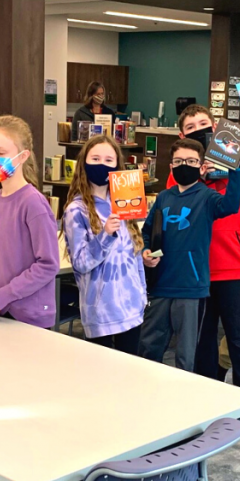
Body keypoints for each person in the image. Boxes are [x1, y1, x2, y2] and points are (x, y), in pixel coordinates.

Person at [166, 103, 240, 392]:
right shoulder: (180, 171)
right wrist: (196, 175)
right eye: (191, 127)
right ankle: (208, 395)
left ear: (215, 128)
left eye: (204, 124)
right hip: (196, 269)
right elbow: (174, 210)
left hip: (233, 266)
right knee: (202, 340)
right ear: (182, 135)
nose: (199, 130)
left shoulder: (235, 163)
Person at [138, 138, 240, 372]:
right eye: (178, 161)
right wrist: (146, 252)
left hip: (190, 286)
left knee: (187, 355)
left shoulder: (207, 197)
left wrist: (236, 169)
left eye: (191, 161)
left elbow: (230, 205)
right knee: (149, 347)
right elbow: (149, 231)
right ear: (171, 166)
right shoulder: (164, 197)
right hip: (161, 285)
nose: (184, 165)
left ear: (202, 167)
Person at [0, 116, 61, 327]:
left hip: (28, 315)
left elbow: (47, 265)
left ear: (23, 156)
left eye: (1, 153)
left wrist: (3, 296)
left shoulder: (34, 204)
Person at [62, 135, 146, 354]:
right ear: (84, 163)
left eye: (109, 160)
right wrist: (106, 235)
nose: (102, 164)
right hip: (101, 312)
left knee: (130, 371)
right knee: (104, 376)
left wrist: (142, 294)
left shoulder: (124, 201)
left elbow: (134, 251)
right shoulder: (76, 211)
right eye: (95, 158)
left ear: (117, 165)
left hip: (131, 307)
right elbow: (81, 263)